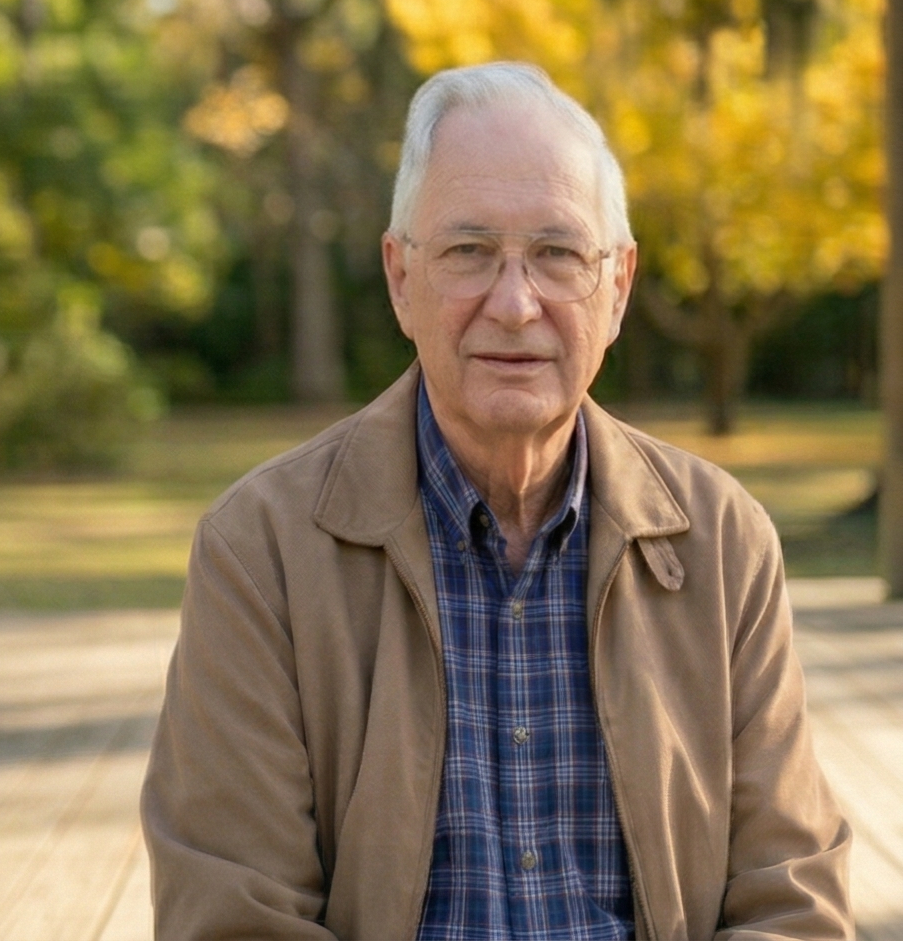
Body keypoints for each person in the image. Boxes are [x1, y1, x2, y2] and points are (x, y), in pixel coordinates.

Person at [141, 62, 850, 939]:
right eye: (469, 253)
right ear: (402, 279)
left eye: (558, 255)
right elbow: (233, 915)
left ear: (618, 286)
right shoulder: (262, 553)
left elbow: (791, 899)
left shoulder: (723, 542)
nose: (515, 305)